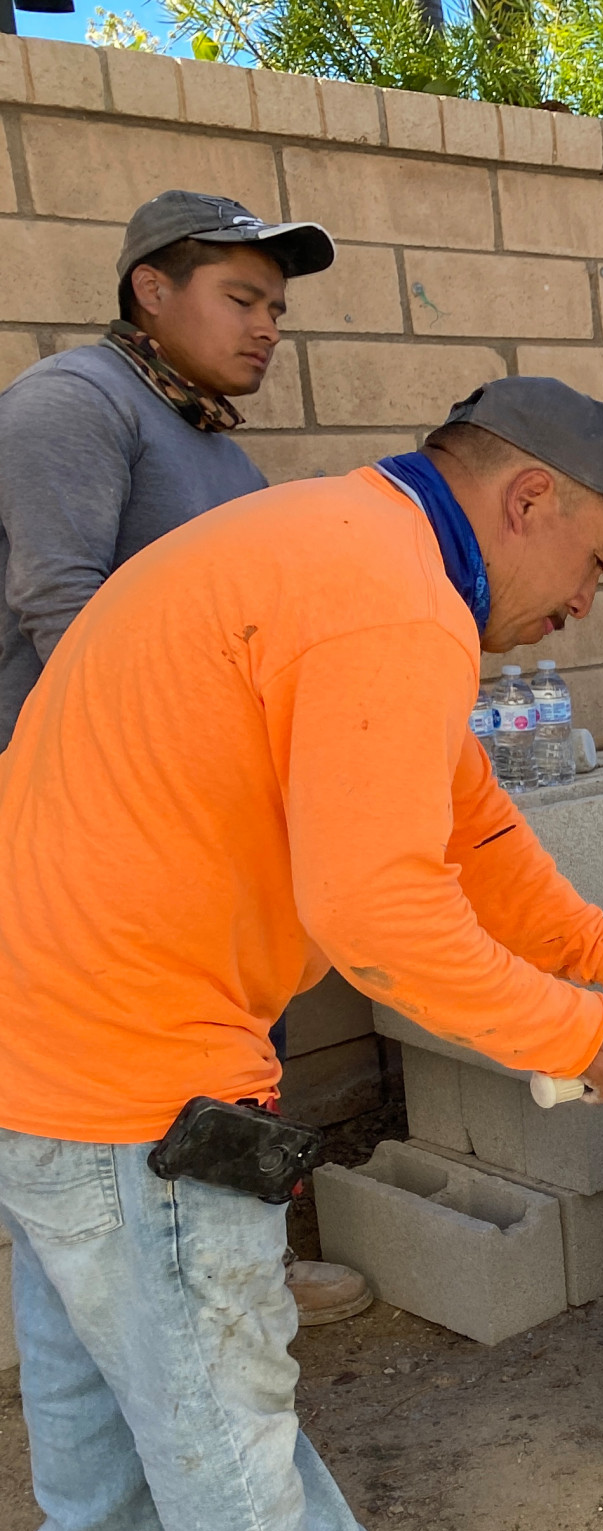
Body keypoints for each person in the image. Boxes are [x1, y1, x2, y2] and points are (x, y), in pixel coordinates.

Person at [0, 376, 603, 1531]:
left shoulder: (342, 552)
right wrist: (582, 1038)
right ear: (529, 499)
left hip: (47, 1020)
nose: (588, 601)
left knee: (102, 1350)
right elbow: (380, 913)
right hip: (134, 1043)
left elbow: (468, 839)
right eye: (593, 561)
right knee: (211, 1375)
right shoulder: (388, 599)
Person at [0, 189, 374, 1331]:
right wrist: (168, 792)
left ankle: (238, 1258)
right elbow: (65, 610)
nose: (267, 326)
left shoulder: (208, 441)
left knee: (231, 1039)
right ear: (150, 291)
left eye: (276, 307)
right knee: (120, 1073)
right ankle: (142, 1290)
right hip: (91, 812)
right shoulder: (70, 406)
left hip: (189, 809)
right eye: (242, 297)